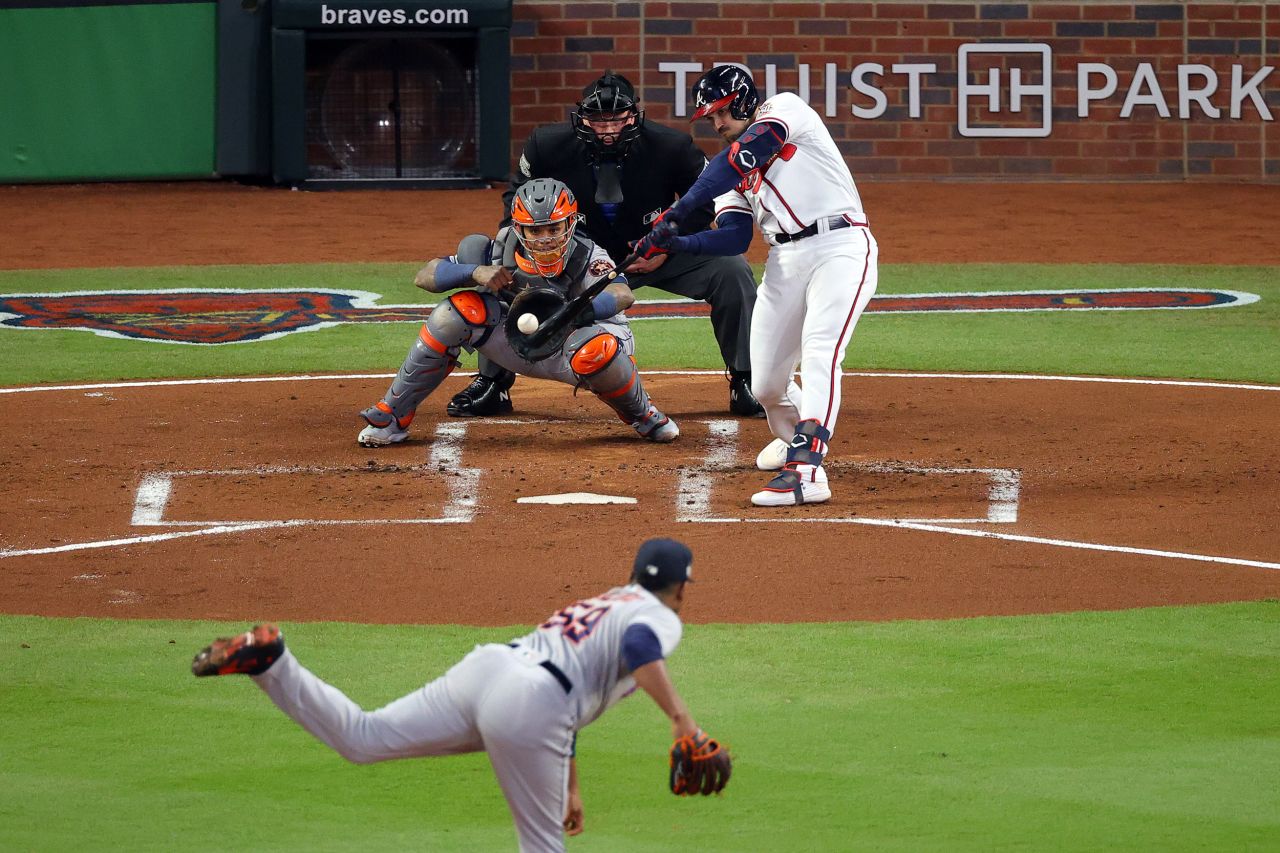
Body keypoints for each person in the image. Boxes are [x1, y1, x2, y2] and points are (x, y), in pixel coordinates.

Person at [192, 538, 725, 853]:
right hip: (533, 703)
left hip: (492, 669)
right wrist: (681, 720)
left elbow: (570, 695)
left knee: (363, 737)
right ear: (681, 588)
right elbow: (634, 650)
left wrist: (570, 786)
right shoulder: (655, 616)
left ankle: (273, 662)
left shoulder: (609, 600)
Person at [448, 71, 765, 420]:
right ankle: (492, 383)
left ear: (634, 115)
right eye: (598, 120)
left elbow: (705, 204)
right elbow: (515, 200)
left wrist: (666, 249)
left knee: (731, 269)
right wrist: (527, 250)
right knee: (505, 265)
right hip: (573, 256)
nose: (609, 128)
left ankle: (746, 378)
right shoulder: (546, 144)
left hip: (650, 250)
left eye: (617, 118)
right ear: (582, 118)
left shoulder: (672, 146)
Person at [635, 65, 879, 507]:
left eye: (721, 113)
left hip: (840, 245)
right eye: (710, 118)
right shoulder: (725, 168)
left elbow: (743, 157)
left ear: (744, 101)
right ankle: (793, 438)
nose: (717, 124)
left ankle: (807, 471)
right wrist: (677, 239)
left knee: (821, 349)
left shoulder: (785, 111)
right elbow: (734, 235)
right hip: (785, 260)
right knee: (766, 384)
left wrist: (677, 211)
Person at [355, 177, 678, 447]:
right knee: (454, 312)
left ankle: (642, 414)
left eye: (553, 228)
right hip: (517, 344)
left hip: (576, 346)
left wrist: (579, 311)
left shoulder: (588, 253)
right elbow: (424, 276)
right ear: (518, 228)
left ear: (570, 223)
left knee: (596, 350)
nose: (545, 238)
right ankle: (393, 415)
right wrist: (474, 272)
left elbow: (622, 294)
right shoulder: (495, 249)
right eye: (535, 231)